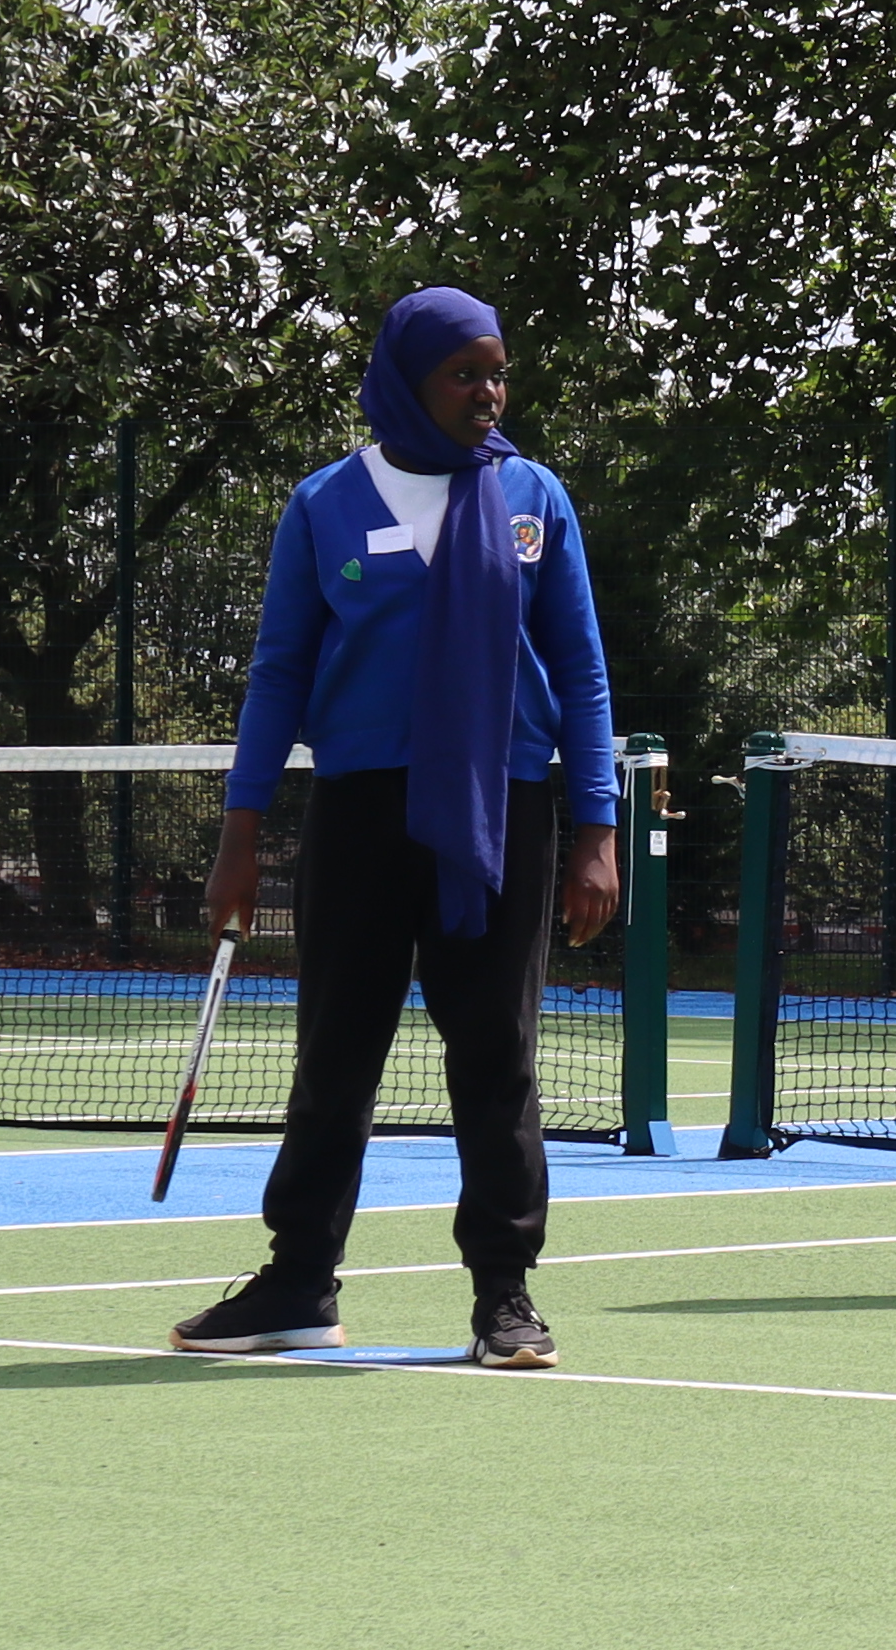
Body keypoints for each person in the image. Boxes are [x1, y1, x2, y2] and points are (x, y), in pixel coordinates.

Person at [173, 290, 625, 1366]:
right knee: (336, 1053)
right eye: (465, 373)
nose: (489, 393)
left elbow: (583, 670)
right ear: (408, 378)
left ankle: (504, 1298)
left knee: (496, 1055)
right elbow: (279, 672)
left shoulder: (532, 497)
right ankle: (297, 1284)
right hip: (361, 809)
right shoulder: (325, 501)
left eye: (498, 371)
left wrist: (596, 827)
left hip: (500, 807)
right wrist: (240, 832)